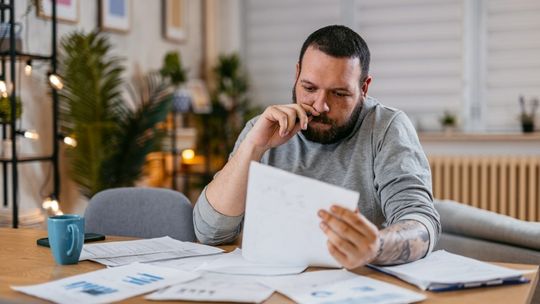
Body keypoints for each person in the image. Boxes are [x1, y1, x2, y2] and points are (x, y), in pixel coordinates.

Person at [193, 25, 440, 269]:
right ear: (297, 74)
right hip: (271, 281)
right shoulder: (263, 128)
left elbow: (421, 223)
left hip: (353, 286)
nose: (320, 105)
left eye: (339, 93)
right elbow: (209, 234)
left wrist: (376, 246)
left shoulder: (386, 128)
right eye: (309, 88)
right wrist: (254, 147)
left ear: (364, 88)